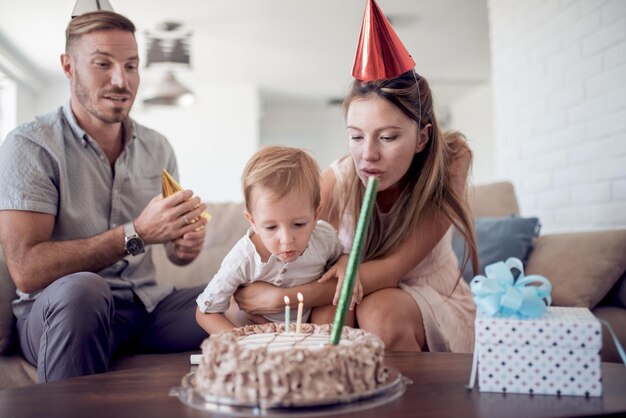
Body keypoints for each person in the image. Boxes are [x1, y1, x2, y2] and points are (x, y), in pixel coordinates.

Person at [231, 0, 479, 353]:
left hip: (429, 300)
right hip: (350, 297)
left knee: (380, 311)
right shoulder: (340, 178)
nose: (368, 155)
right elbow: (260, 246)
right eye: (356, 136)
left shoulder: (450, 162)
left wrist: (280, 297)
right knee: (326, 318)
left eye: (388, 137)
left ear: (422, 136)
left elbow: (393, 270)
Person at [0, 11, 209, 382]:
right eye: (103, 64)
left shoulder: (158, 147)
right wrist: (138, 233)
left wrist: (183, 246)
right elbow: (27, 271)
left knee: (233, 293)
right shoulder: (30, 145)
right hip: (61, 311)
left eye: (131, 66)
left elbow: (174, 252)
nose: (121, 80)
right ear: (68, 66)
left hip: (145, 306)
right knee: (85, 290)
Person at [195, 145, 358, 334]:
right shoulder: (242, 259)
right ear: (253, 222)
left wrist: (345, 263)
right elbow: (205, 312)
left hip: (306, 331)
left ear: (315, 215)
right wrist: (241, 342)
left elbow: (340, 256)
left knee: (336, 304)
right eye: (271, 227)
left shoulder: (324, 238)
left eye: (298, 224)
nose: (287, 240)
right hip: (256, 335)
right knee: (236, 313)